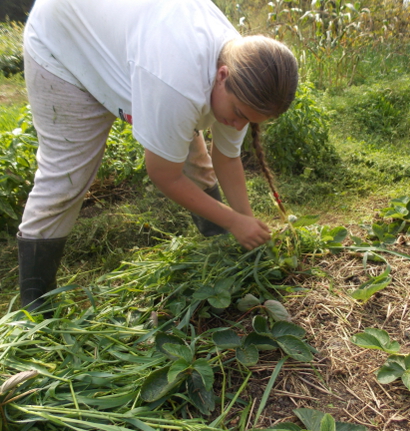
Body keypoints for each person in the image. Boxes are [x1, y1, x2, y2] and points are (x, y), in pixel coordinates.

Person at [17, 0, 299, 312]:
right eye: (238, 114)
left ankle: (219, 244)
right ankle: (36, 306)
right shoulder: (178, 82)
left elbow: (227, 157)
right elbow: (164, 175)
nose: (238, 125)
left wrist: (246, 221)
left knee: (194, 155)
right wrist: (234, 221)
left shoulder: (245, 69)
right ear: (221, 75)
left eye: (249, 120)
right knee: (66, 177)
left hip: (138, 51)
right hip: (65, 42)